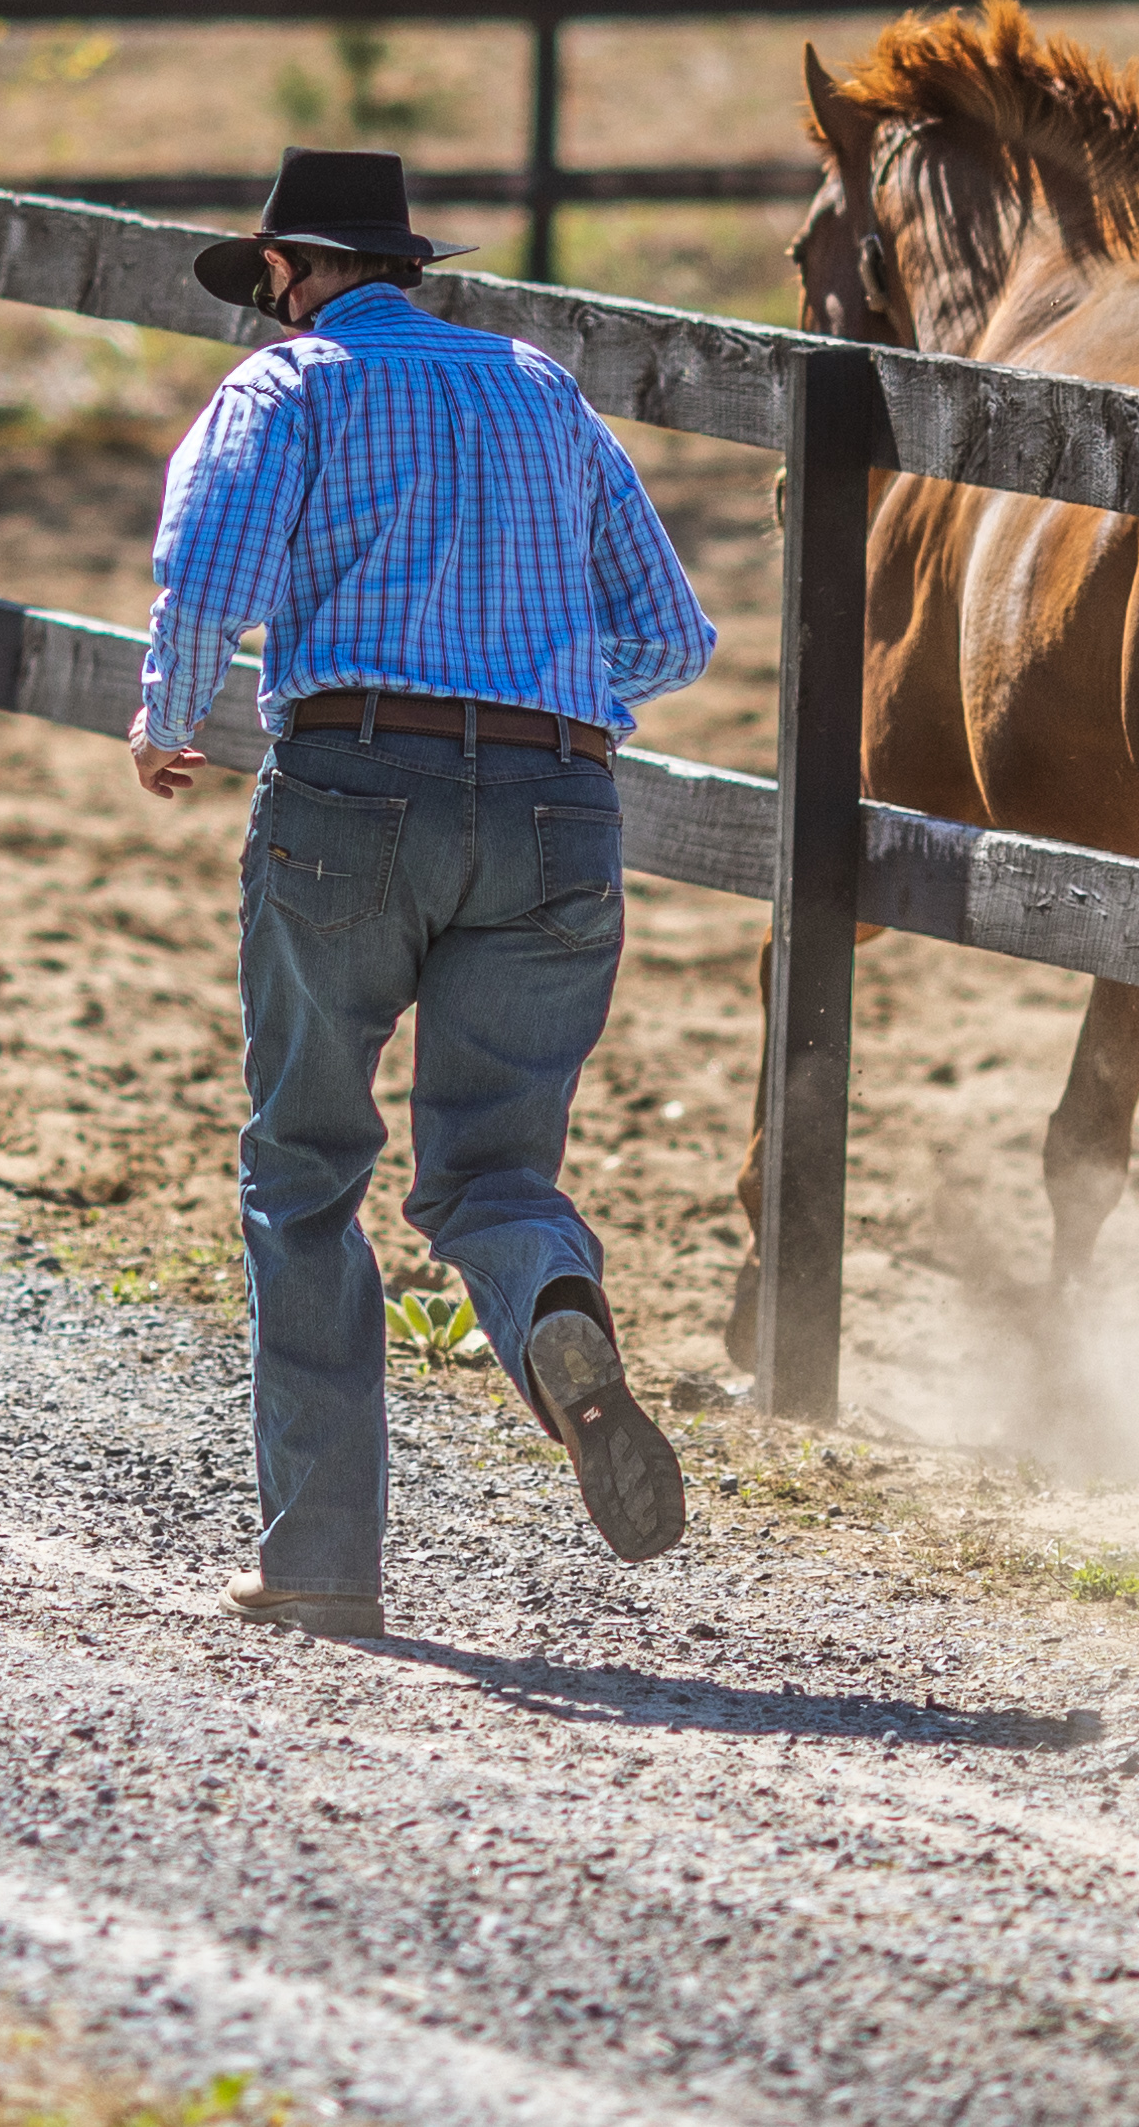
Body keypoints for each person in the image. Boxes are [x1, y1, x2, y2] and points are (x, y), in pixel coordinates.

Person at [130, 147, 721, 1638]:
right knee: (492, 1174)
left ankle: (322, 1560)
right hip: (559, 800)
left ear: (289, 272)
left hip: (353, 792)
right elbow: (672, 636)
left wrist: (170, 716)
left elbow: (206, 575)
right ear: (407, 264)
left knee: (306, 1164)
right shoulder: (539, 386)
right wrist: (540, 705)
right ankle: (548, 1314)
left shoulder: (289, 390)